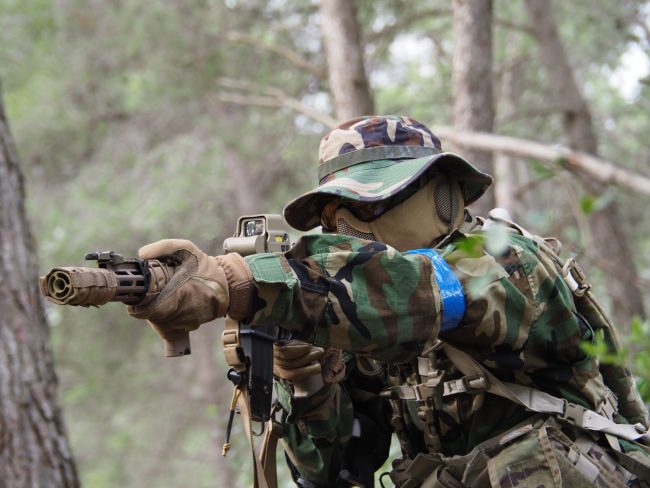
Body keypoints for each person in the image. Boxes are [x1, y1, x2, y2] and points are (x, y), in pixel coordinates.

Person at [128, 115, 650, 487]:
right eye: (337, 212)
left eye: (371, 203)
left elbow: (414, 293)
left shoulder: (503, 260)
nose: (350, 226)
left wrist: (240, 281)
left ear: (441, 192)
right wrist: (307, 381)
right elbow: (335, 469)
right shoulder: (363, 315)